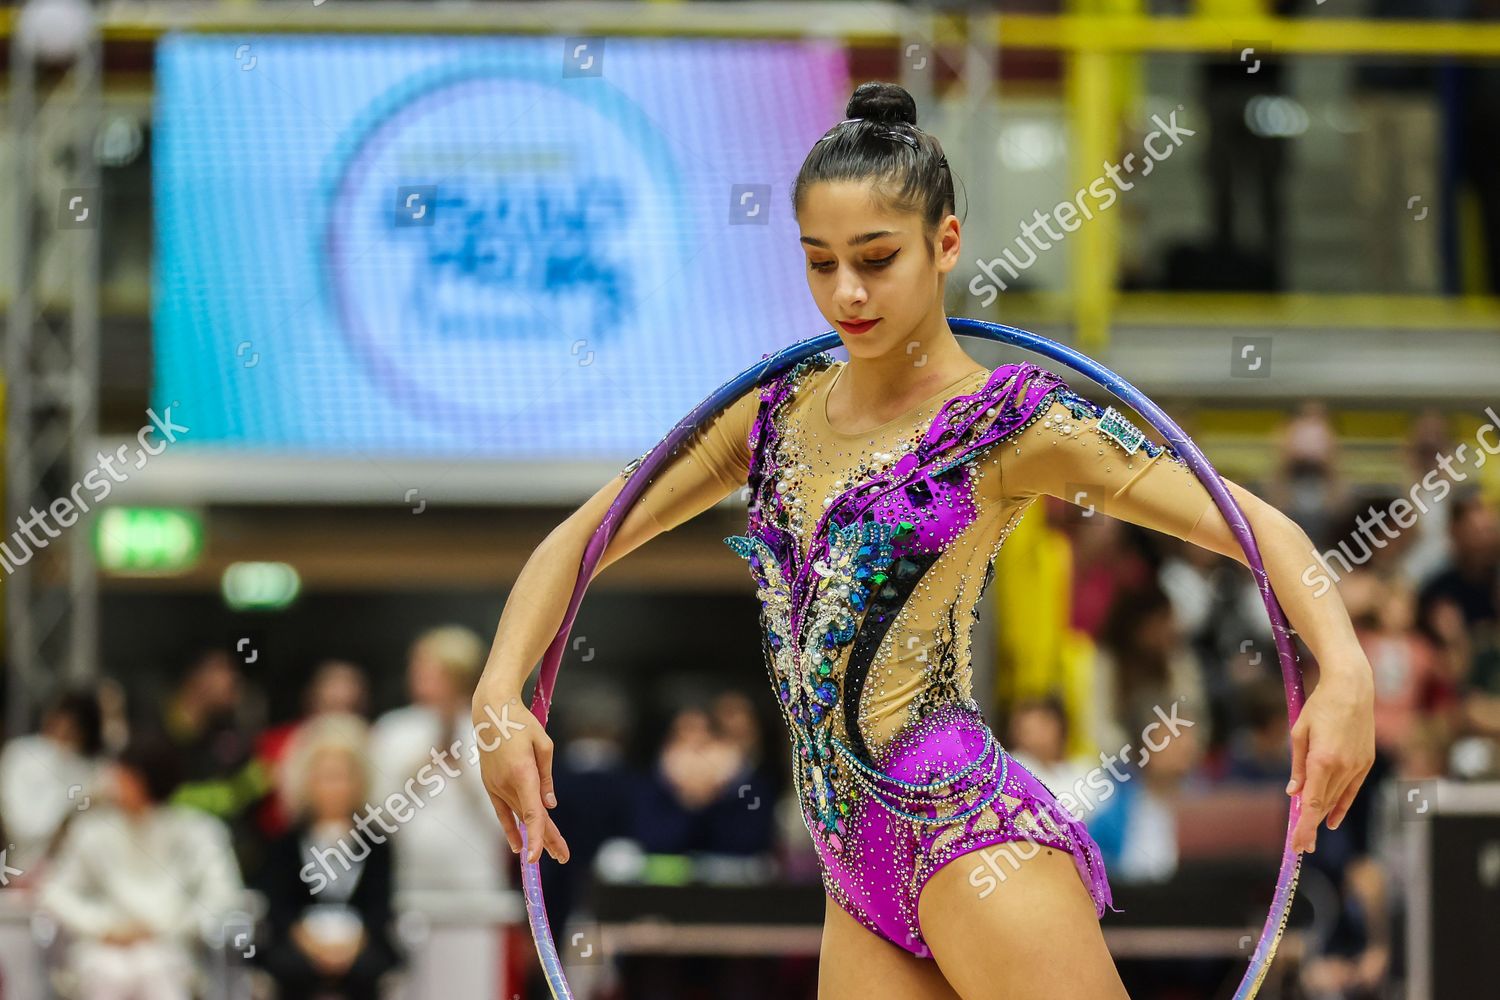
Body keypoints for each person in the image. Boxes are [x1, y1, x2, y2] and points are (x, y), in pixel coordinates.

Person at [468, 81, 1377, 997]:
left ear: (946, 244)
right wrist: (500, 693)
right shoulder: (771, 418)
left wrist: (1342, 670)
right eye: (819, 263)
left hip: (965, 834)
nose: (847, 292)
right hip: (853, 872)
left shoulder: (1007, 424)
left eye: (876, 258)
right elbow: (579, 543)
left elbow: (1258, 526)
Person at [38, 738, 244, 1000]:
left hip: (172, 947)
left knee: (155, 967)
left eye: (125, 776)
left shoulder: (198, 831)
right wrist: (103, 926)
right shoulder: (92, 832)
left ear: (147, 778)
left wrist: (164, 927)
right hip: (104, 947)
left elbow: (223, 896)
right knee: (106, 970)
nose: (115, 784)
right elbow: (56, 891)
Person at [255, 713, 399, 1000]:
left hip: (359, 949)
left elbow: (380, 906)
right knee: (288, 967)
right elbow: (279, 906)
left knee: (370, 969)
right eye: (325, 777)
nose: (334, 787)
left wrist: (353, 945)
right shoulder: (285, 842)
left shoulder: (377, 843)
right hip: (300, 950)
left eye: (343, 777)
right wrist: (310, 944)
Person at [0, 688, 104, 876]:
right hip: (23, 866)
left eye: (74, 729)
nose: (65, 732)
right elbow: (23, 824)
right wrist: (68, 814)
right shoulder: (22, 754)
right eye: (62, 723)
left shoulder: (91, 768)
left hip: (72, 872)